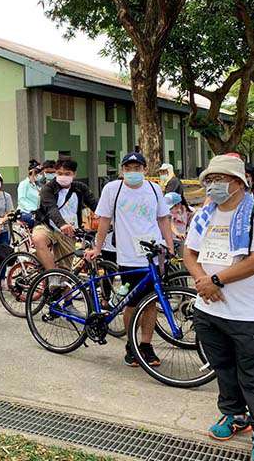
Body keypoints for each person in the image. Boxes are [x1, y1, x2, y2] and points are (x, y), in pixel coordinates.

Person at [183, 154, 254, 460]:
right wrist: (202, 281)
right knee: (223, 368)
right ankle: (234, 415)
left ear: (239, 183)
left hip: (248, 313)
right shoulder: (204, 213)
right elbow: (189, 251)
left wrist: (216, 280)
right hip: (209, 309)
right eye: (209, 180)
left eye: (219, 180)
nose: (212, 186)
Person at [87, 152, 173, 368]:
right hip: (128, 256)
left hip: (153, 255)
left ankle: (146, 344)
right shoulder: (112, 190)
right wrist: (97, 248)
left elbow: (163, 218)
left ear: (145, 169)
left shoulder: (154, 189)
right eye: (128, 168)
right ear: (122, 169)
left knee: (152, 301)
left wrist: (169, 245)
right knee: (132, 303)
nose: (133, 172)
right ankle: (131, 345)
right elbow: (104, 220)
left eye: (137, 168)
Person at [31, 159, 97, 271]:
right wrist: (62, 224)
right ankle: (52, 274)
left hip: (70, 232)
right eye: (60, 173)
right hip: (48, 227)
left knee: (66, 275)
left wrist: (106, 218)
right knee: (38, 239)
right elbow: (52, 209)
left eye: (67, 174)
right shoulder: (48, 189)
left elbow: (94, 204)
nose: (63, 176)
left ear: (74, 174)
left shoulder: (80, 188)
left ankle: (60, 280)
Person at [17, 160, 41, 224]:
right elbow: (21, 200)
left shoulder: (37, 186)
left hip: (36, 212)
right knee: (36, 221)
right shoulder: (24, 184)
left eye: (39, 172)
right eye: (37, 172)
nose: (39, 174)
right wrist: (32, 210)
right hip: (25, 212)